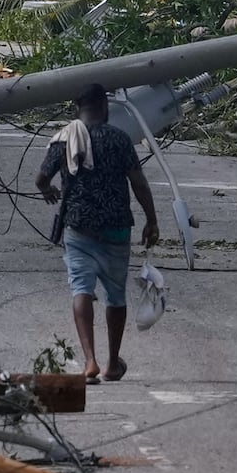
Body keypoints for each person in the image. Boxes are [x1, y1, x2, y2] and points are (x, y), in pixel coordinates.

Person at [37, 87, 163, 382]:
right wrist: (152, 220)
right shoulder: (119, 139)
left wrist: (49, 191)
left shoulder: (64, 139)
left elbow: (41, 178)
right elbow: (139, 183)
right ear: (104, 107)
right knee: (115, 295)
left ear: (77, 109)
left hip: (78, 227)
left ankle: (90, 361)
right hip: (117, 227)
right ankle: (111, 364)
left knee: (81, 288)